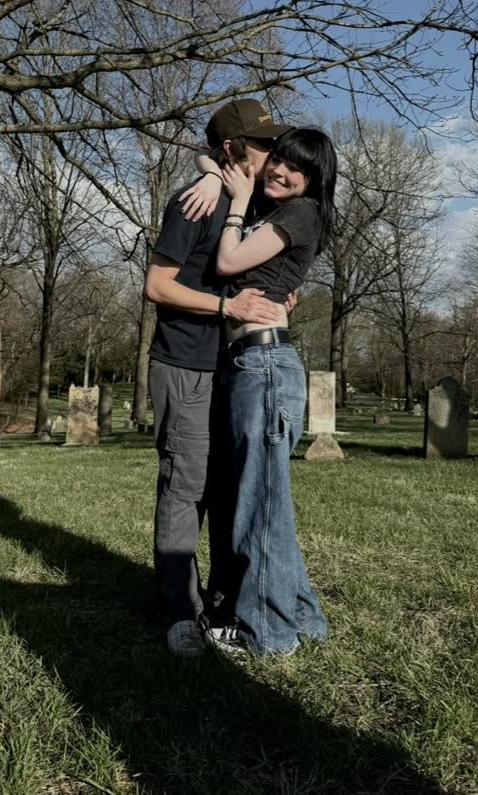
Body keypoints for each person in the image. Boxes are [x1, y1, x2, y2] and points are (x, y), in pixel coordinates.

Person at [144, 99, 291, 656]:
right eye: (261, 144)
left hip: (239, 369)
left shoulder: (249, 205)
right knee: (187, 487)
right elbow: (158, 287)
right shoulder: (193, 203)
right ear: (231, 149)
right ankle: (181, 612)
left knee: (233, 491)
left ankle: (227, 607)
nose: (272, 153)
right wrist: (229, 307)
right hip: (185, 365)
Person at [205, 127, 337, 656]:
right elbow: (217, 155)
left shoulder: (301, 212)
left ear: (313, 179)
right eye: (278, 159)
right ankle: (301, 616)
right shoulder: (279, 207)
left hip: (263, 365)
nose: (280, 171)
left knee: (257, 503)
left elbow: (228, 263)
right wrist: (215, 169)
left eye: (295, 168)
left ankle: (268, 633)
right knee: (269, 501)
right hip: (255, 364)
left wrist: (236, 205)